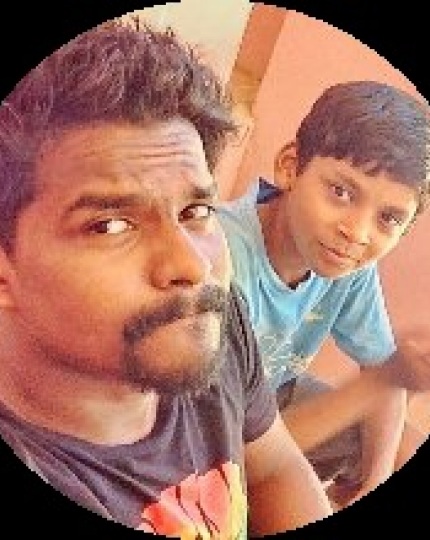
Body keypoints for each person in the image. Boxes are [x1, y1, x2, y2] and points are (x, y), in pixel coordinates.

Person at [0, 19, 334, 536]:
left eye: (195, 211)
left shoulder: (204, 319)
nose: (193, 267)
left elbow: (273, 467)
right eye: (110, 225)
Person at [217, 80, 430, 507]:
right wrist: (387, 379)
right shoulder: (221, 258)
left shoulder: (348, 262)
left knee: (402, 443)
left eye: (388, 218)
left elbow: (381, 369)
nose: (357, 232)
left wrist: (375, 478)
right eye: (341, 192)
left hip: (275, 396)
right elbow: (234, 453)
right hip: (209, 431)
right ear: (290, 167)